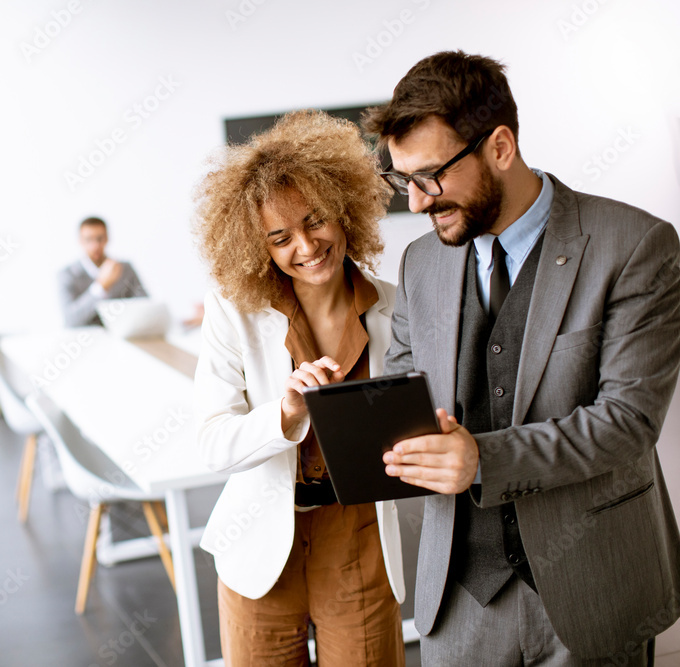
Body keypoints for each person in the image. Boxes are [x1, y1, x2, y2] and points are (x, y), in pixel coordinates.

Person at [364, 51, 680, 665]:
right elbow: (403, 391)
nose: (417, 204)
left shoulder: (636, 245)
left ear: (500, 147)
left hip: (593, 587)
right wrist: (340, 402)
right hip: (458, 598)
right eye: (403, 181)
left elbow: (629, 422)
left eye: (430, 177)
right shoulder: (421, 264)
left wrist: (482, 457)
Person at [193, 109, 405, 665]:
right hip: (259, 539)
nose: (306, 246)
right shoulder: (232, 312)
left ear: (343, 210)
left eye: (315, 221)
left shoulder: (396, 306)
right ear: (256, 245)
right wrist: (284, 415)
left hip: (358, 534)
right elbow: (212, 443)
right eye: (280, 237)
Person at [57, 217, 147, 327]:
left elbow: (145, 306)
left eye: (100, 239)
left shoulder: (125, 269)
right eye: (88, 239)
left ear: (107, 239)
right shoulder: (67, 274)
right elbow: (71, 320)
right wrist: (100, 286)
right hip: (87, 339)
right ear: (80, 241)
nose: (95, 246)